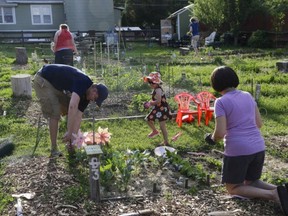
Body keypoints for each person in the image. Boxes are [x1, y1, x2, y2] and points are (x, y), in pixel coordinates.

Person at [207, 66, 288, 215]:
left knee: (233, 188)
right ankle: (281, 191)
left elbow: (220, 132)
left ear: (216, 85)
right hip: (258, 147)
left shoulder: (221, 102)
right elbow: (259, 124)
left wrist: (212, 138)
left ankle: (273, 195)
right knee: (252, 181)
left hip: (238, 150)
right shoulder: (247, 95)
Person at [33, 64, 108, 157]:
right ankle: (54, 149)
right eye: (95, 98)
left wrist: (73, 141)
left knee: (68, 107)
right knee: (54, 112)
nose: (93, 100)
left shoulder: (86, 97)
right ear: (94, 90)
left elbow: (78, 117)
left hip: (56, 85)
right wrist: (69, 131)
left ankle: (69, 145)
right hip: (44, 80)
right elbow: (73, 106)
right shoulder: (83, 82)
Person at [143, 72, 172, 146]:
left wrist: (150, 103)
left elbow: (158, 100)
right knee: (148, 119)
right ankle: (155, 131)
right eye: (149, 82)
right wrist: (151, 103)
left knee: (162, 126)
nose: (151, 84)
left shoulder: (158, 90)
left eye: (152, 83)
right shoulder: (155, 89)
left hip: (162, 109)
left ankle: (166, 141)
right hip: (158, 108)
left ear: (157, 83)